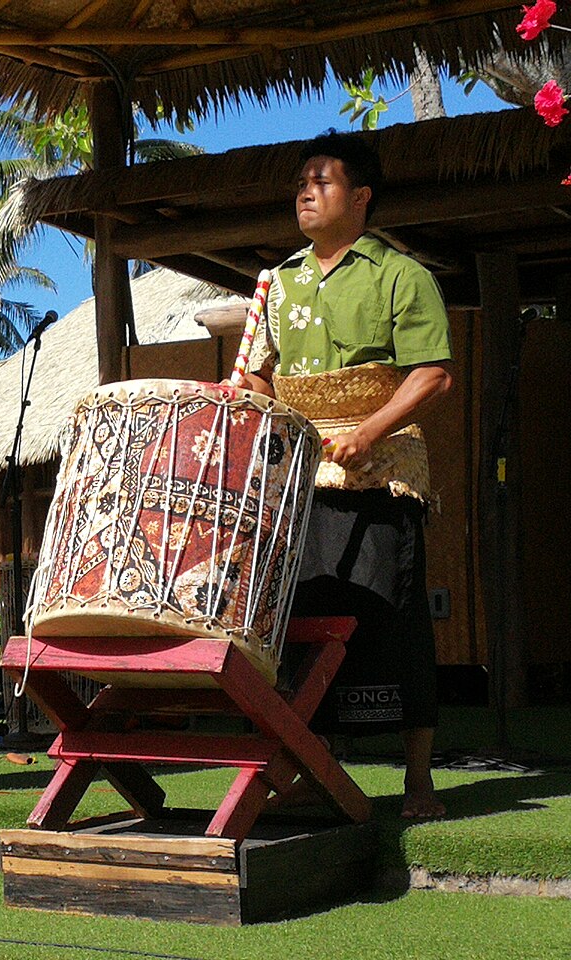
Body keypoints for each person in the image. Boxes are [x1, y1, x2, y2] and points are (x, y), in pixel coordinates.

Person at [242, 132, 453, 819]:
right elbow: (256, 375)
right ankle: (306, 773)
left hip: (383, 472)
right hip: (302, 480)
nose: (306, 192)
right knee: (299, 619)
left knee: (391, 617)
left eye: (322, 181)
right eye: (301, 181)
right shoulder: (275, 283)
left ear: (360, 197)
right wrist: (237, 391)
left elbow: (432, 373)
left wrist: (369, 431)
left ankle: (418, 780)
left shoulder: (400, 275)